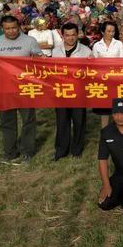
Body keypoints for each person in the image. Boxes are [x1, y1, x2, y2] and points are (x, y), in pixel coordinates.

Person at [0, 15, 43, 162]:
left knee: (28, 120)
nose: (11, 31)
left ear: (19, 27)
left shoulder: (30, 41)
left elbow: (41, 61)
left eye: (14, 28)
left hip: (25, 87)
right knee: (6, 121)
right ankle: (10, 152)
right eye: (7, 28)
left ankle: (28, 151)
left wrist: (38, 59)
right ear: (2, 28)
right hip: (5, 88)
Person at [51, 22, 92, 160]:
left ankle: (77, 150)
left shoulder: (86, 51)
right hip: (61, 92)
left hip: (79, 92)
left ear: (77, 35)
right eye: (67, 35)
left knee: (79, 121)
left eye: (73, 35)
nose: (70, 38)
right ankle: (61, 150)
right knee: (62, 121)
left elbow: (92, 72)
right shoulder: (55, 51)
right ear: (62, 36)